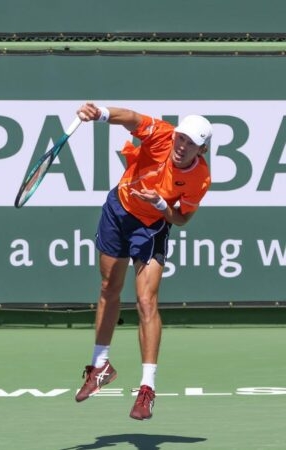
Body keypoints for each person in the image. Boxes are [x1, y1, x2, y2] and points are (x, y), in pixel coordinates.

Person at [73, 102, 212, 420]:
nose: (181, 145)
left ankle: (147, 388)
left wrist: (162, 204)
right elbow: (132, 119)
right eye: (181, 138)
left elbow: (181, 219)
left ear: (201, 149)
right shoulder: (162, 135)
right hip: (118, 210)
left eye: (190, 143)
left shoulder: (199, 179)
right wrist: (102, 113)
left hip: (151, 226)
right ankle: (100, 366)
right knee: (109, 286)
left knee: (146, 301)